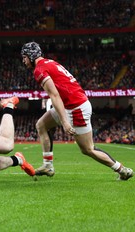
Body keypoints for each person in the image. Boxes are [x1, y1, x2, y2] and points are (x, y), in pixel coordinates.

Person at [21, 42, 133, 180]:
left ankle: (122, 170)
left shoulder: (39, 69)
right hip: (71, 105)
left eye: (25, 57)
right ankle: (48, 165)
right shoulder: (49, 62)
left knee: (87, 149)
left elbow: (54, 95)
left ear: (31, 56)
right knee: (42, 125)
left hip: (76, 108)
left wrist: (65, 122)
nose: (23, 61)